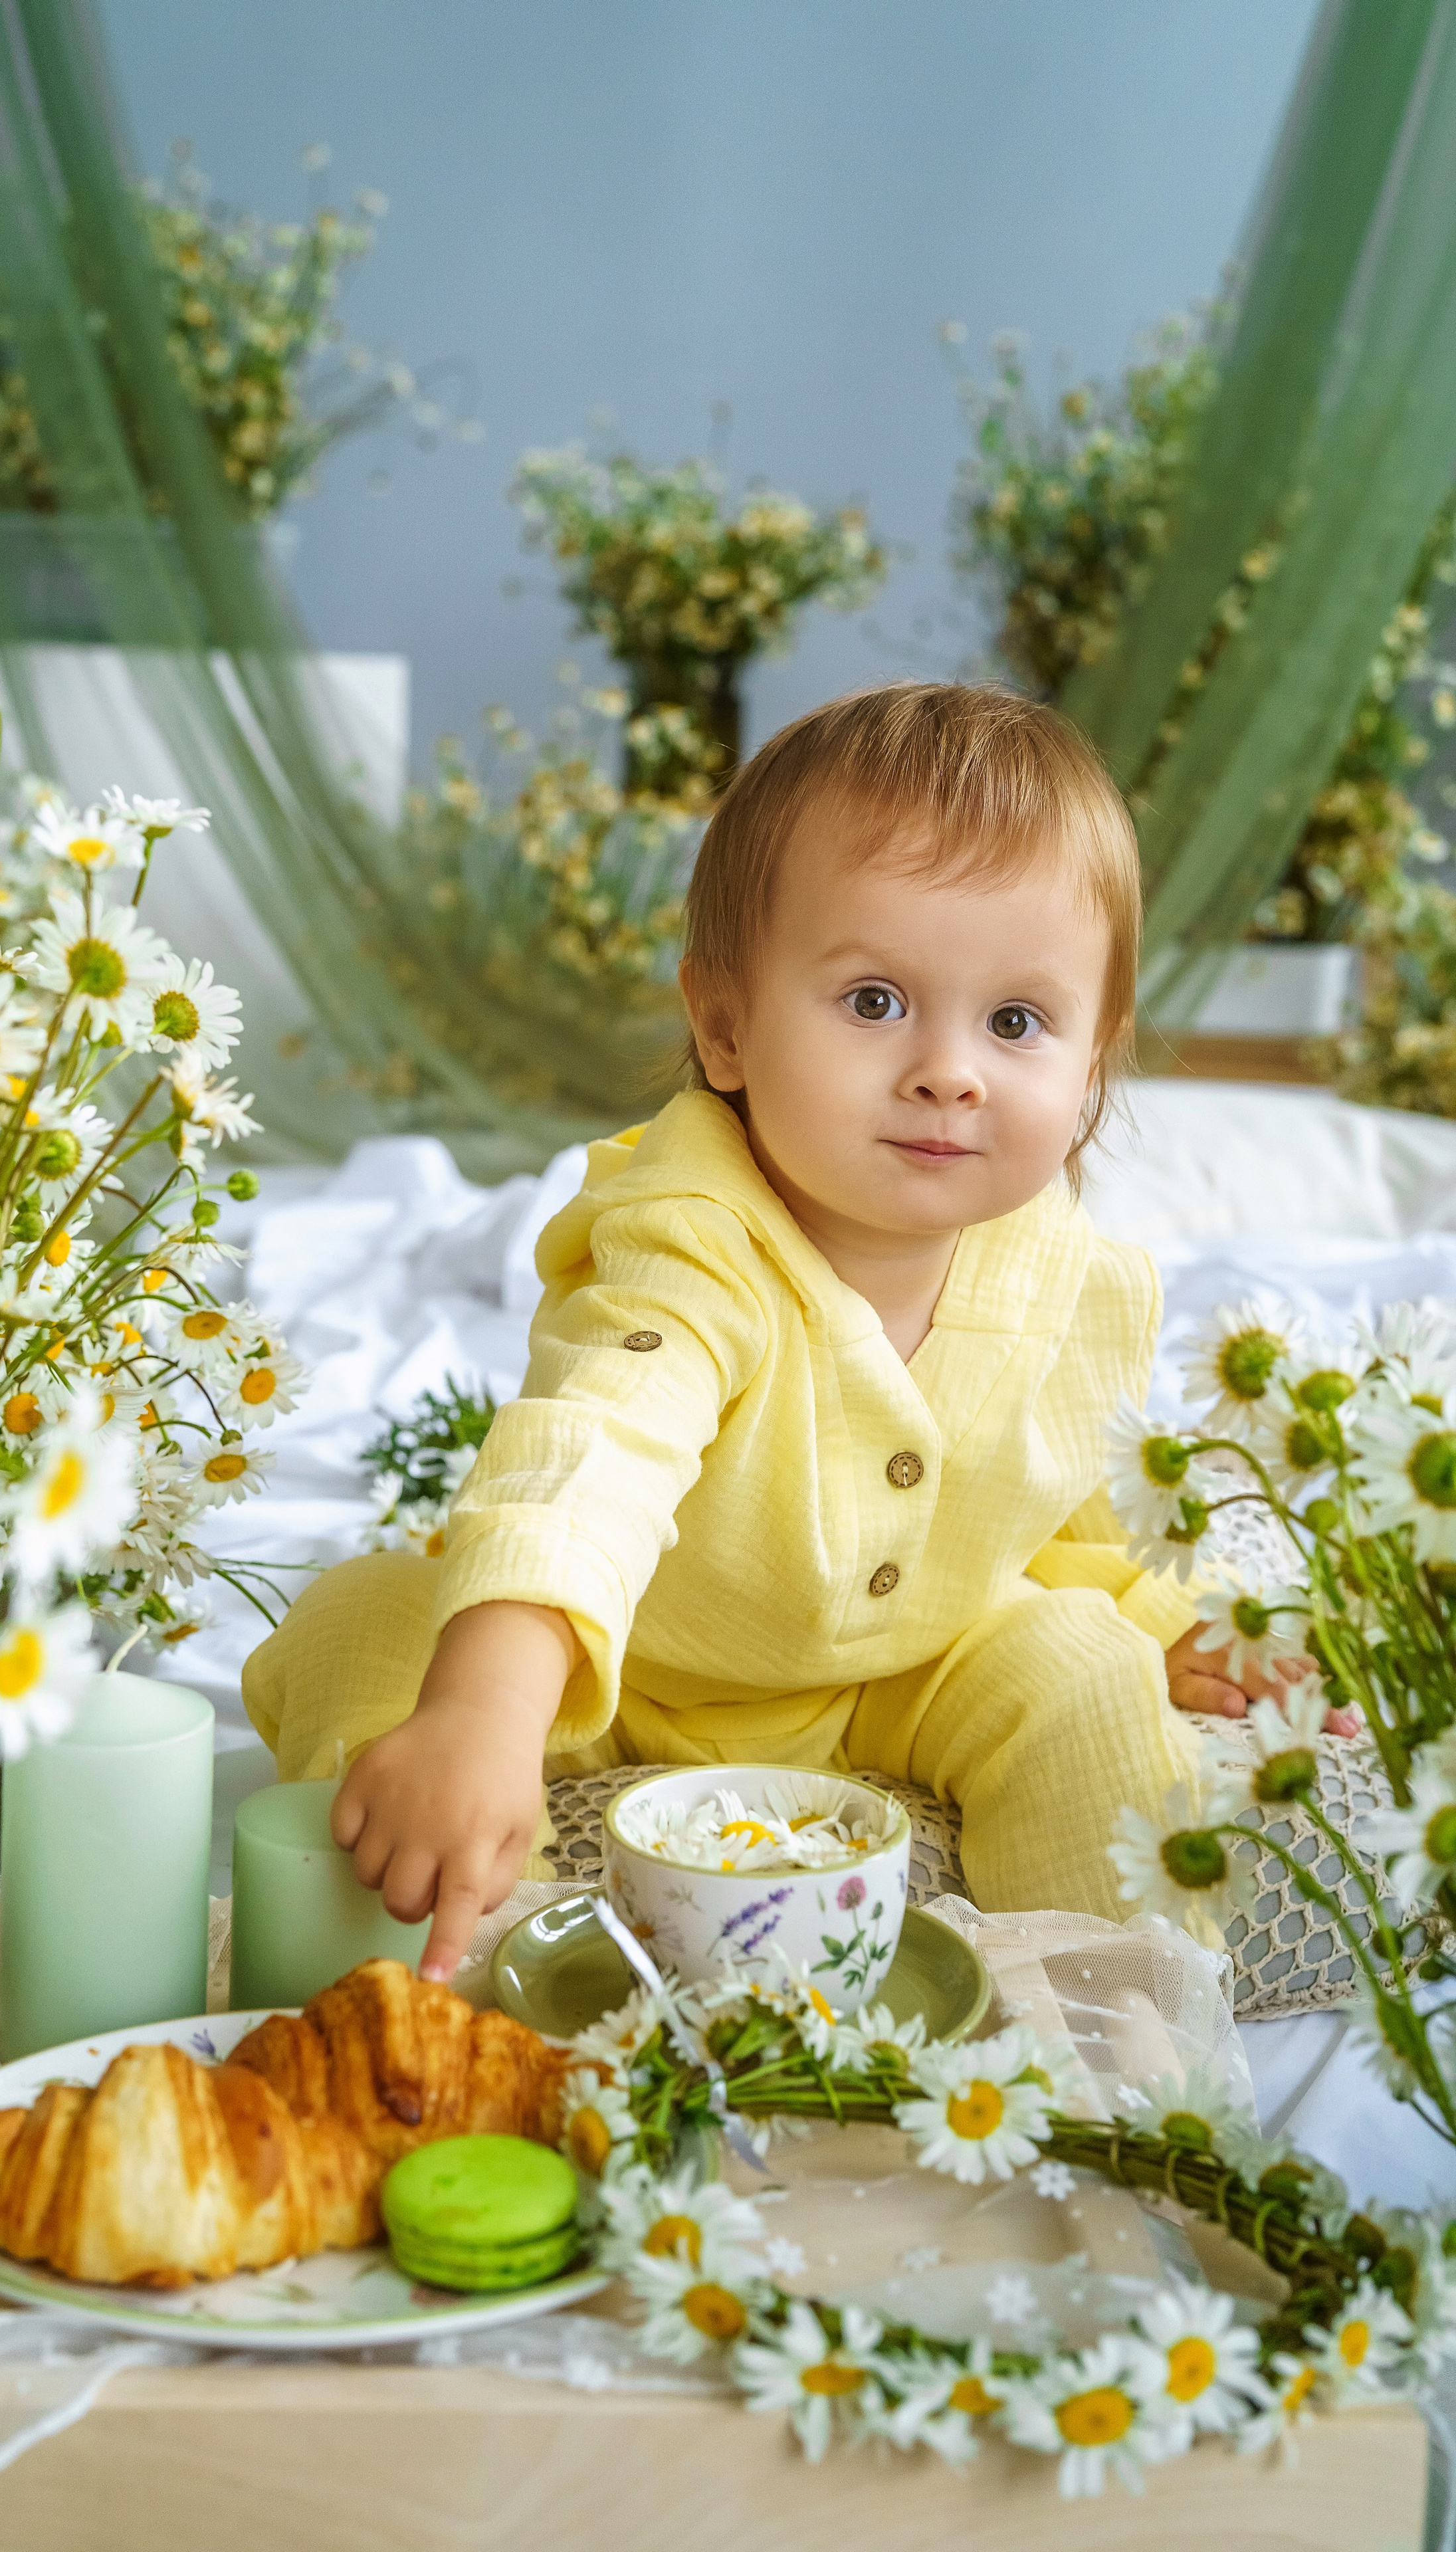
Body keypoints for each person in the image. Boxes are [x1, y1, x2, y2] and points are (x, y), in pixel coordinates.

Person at [245, 682, 1334, 1980]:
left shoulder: (1073, 1275)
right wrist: (484, 1710)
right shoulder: (688, 1240)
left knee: (1085, 1670)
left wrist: (1168, 1619)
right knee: (369, 1625)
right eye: (873, 1002)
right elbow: (593, 1453)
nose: (949, 1069)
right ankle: (467, 1986)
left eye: (1016, 1022)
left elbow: (1068, 1510)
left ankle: (1116, 2022)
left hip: (915, 1671)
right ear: (724, 1026)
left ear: (1091, 1060)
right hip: (631, 1669)